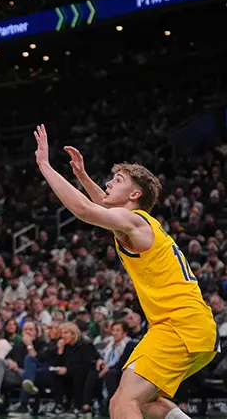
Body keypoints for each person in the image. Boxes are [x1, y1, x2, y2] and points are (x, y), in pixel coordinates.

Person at [33, 124, 218, 419]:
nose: (108, 183)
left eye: (116, 180)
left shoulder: (136, 222)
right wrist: (82, 177)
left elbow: (86, 211)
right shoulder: (138, 224)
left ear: (134, 194)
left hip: (179, 326)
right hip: (193, 328)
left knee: (121, 404)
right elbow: (103, 207)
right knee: (145, 403)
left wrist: (45, 165)